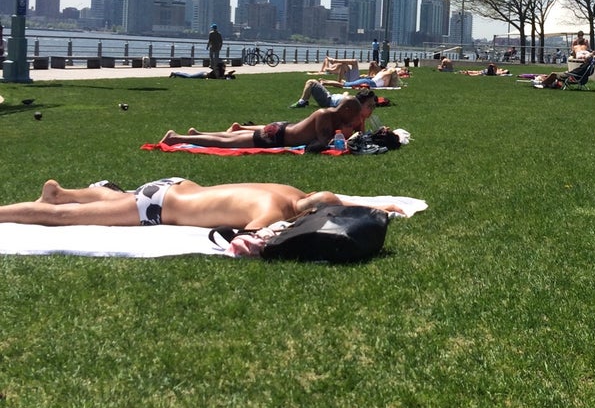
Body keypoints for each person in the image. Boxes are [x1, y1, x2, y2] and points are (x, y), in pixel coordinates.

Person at [0, 177, 402, 228]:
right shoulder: (273, 211)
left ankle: (62, 191)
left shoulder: (290, 192)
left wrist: (375, 209)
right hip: (156, 209)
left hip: (176, 185)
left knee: (117, 198)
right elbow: (251, 239)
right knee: (58, 219)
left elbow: (331, 198)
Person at [160, 88, 377, 151]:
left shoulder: (334, 117)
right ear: (347, 110)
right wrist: (343, 141)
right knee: (228, 143)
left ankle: (197, 135)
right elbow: (316, 145)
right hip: (277, 136)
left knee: (240, 135)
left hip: (282, 131)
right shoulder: (325, 115)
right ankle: (175, 138)